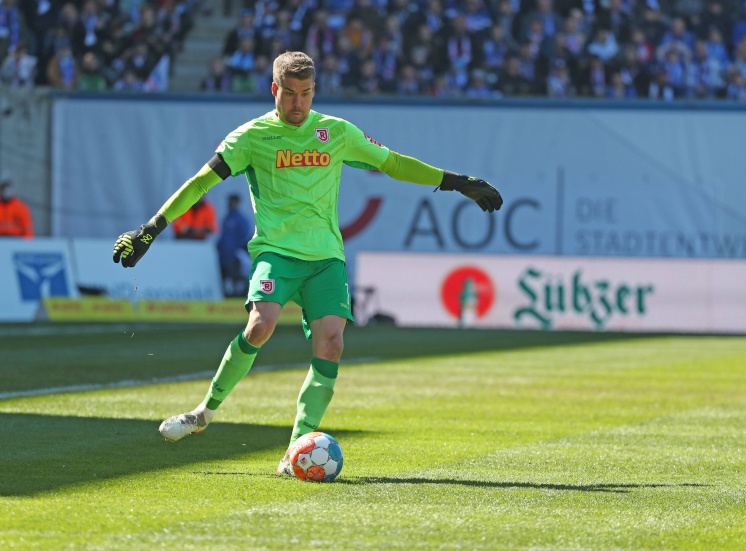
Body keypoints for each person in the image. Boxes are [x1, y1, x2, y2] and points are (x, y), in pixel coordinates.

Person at [112, 51, 502, 475]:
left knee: (331, 345)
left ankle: (295, 448)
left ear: (315, 91)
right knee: (260, 327)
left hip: (325, 259)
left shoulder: (335, 132)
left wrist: (456, 182)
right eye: (291, 94)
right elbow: (200, 184)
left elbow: (392, 164)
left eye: (307, 94)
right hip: (276, 254)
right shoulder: (250, 137)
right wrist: (150, 228)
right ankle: (204, 413)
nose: (298, 104)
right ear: (274, 89)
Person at [217, 193, 252, 297]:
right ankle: (228, 295)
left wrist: (237, 250)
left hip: (235, 254)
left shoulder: (241, 219)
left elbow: (244, 237)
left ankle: (238, 294)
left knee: (236, 276)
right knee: (225, 277)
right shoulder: (226, 218)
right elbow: (223, 236)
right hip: (224, 255)